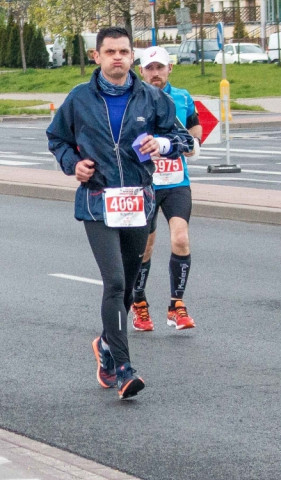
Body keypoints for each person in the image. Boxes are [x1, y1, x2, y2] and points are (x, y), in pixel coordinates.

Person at [46, 26, 192, 400]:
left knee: (126, 287)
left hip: (138, 203)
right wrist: (72, 164)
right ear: (97, 56)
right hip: (97, 202)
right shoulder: (79, 98)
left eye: (124, 52)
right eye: (109, 51)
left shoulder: (150, 98)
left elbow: (185, 140)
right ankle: (124, 369)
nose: (117, 58)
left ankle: (107, 345)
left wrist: (161, 143)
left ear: (132, 57)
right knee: (112, 282)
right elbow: (56, 137)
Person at [133, 45, 202, 332]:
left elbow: (195, 133)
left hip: (176, 183)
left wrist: (185, 146)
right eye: (150, 68)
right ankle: (139, 304)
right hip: (146, 183)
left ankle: (176, 305)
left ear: (170, 68)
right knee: (145, 247)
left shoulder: (182, 98)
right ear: (141, 71)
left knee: (181, 238)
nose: (155, 73)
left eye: (160, 67)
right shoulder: (134, 100)